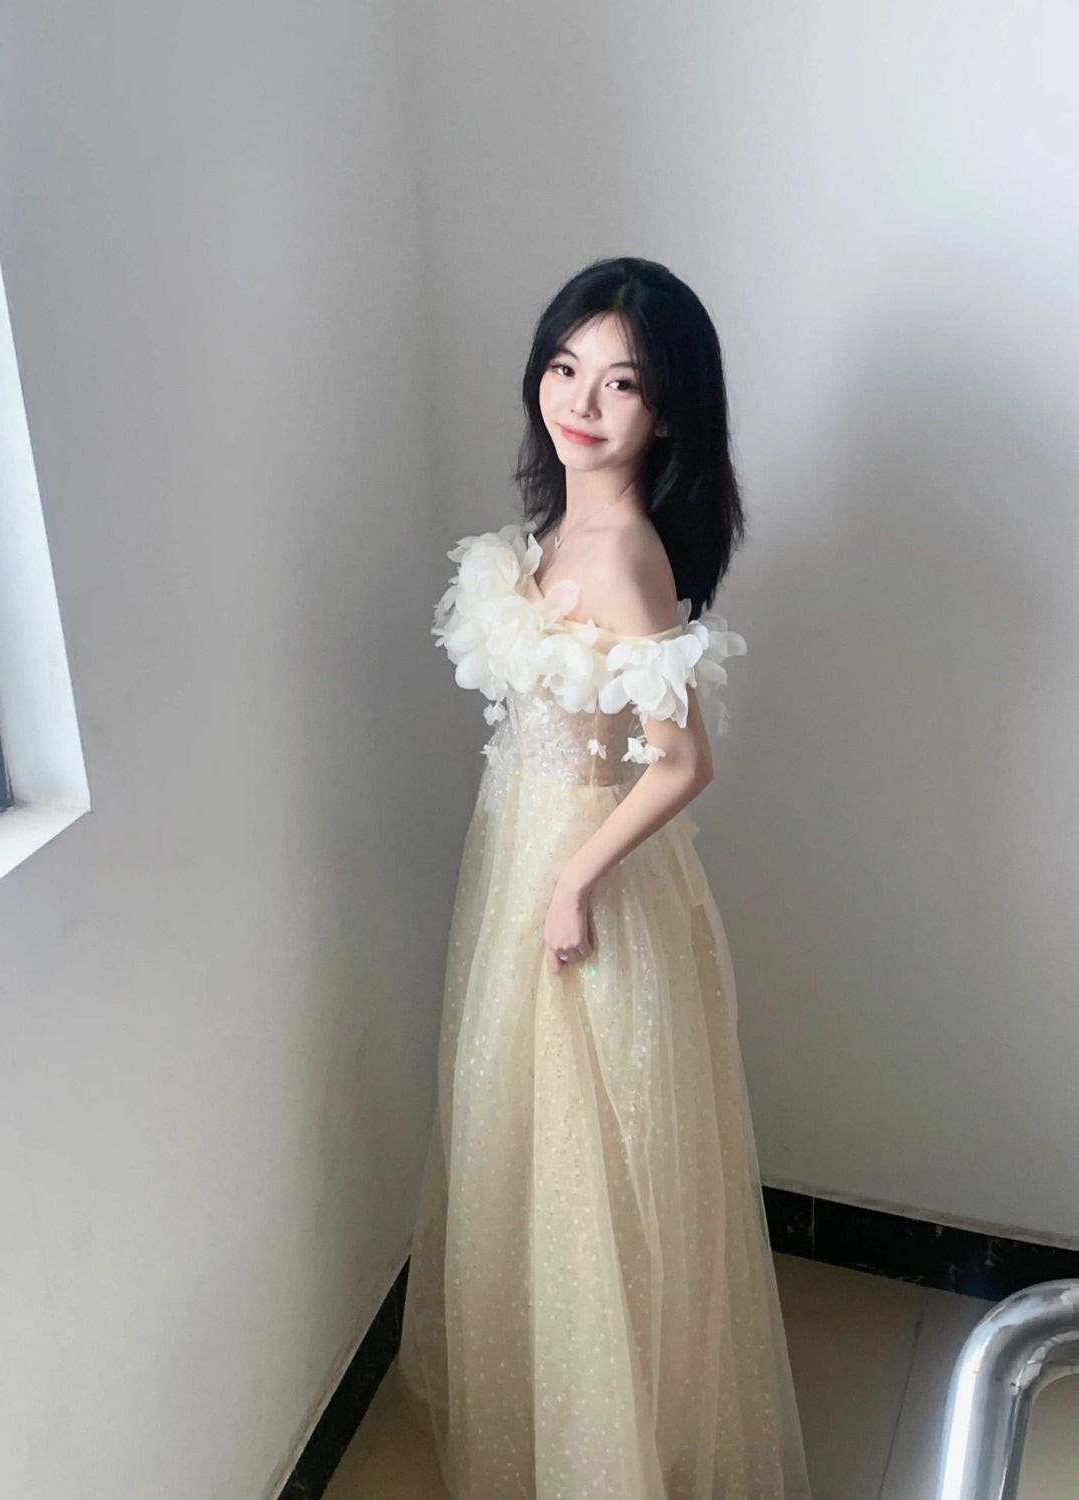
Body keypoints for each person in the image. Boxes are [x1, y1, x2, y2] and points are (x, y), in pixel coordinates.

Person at [395, 256, 812, 1499]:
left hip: (589, 869)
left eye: (621, 383)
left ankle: (617, 1447)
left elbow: (683, 762)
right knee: (523, 1138)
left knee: (596, 1153)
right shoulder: (555, 530)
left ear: (668, 412)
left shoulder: (625, 552)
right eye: (565, 367)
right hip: (518, 842)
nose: (580, 400)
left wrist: (572, 880)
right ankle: (551, 1413)